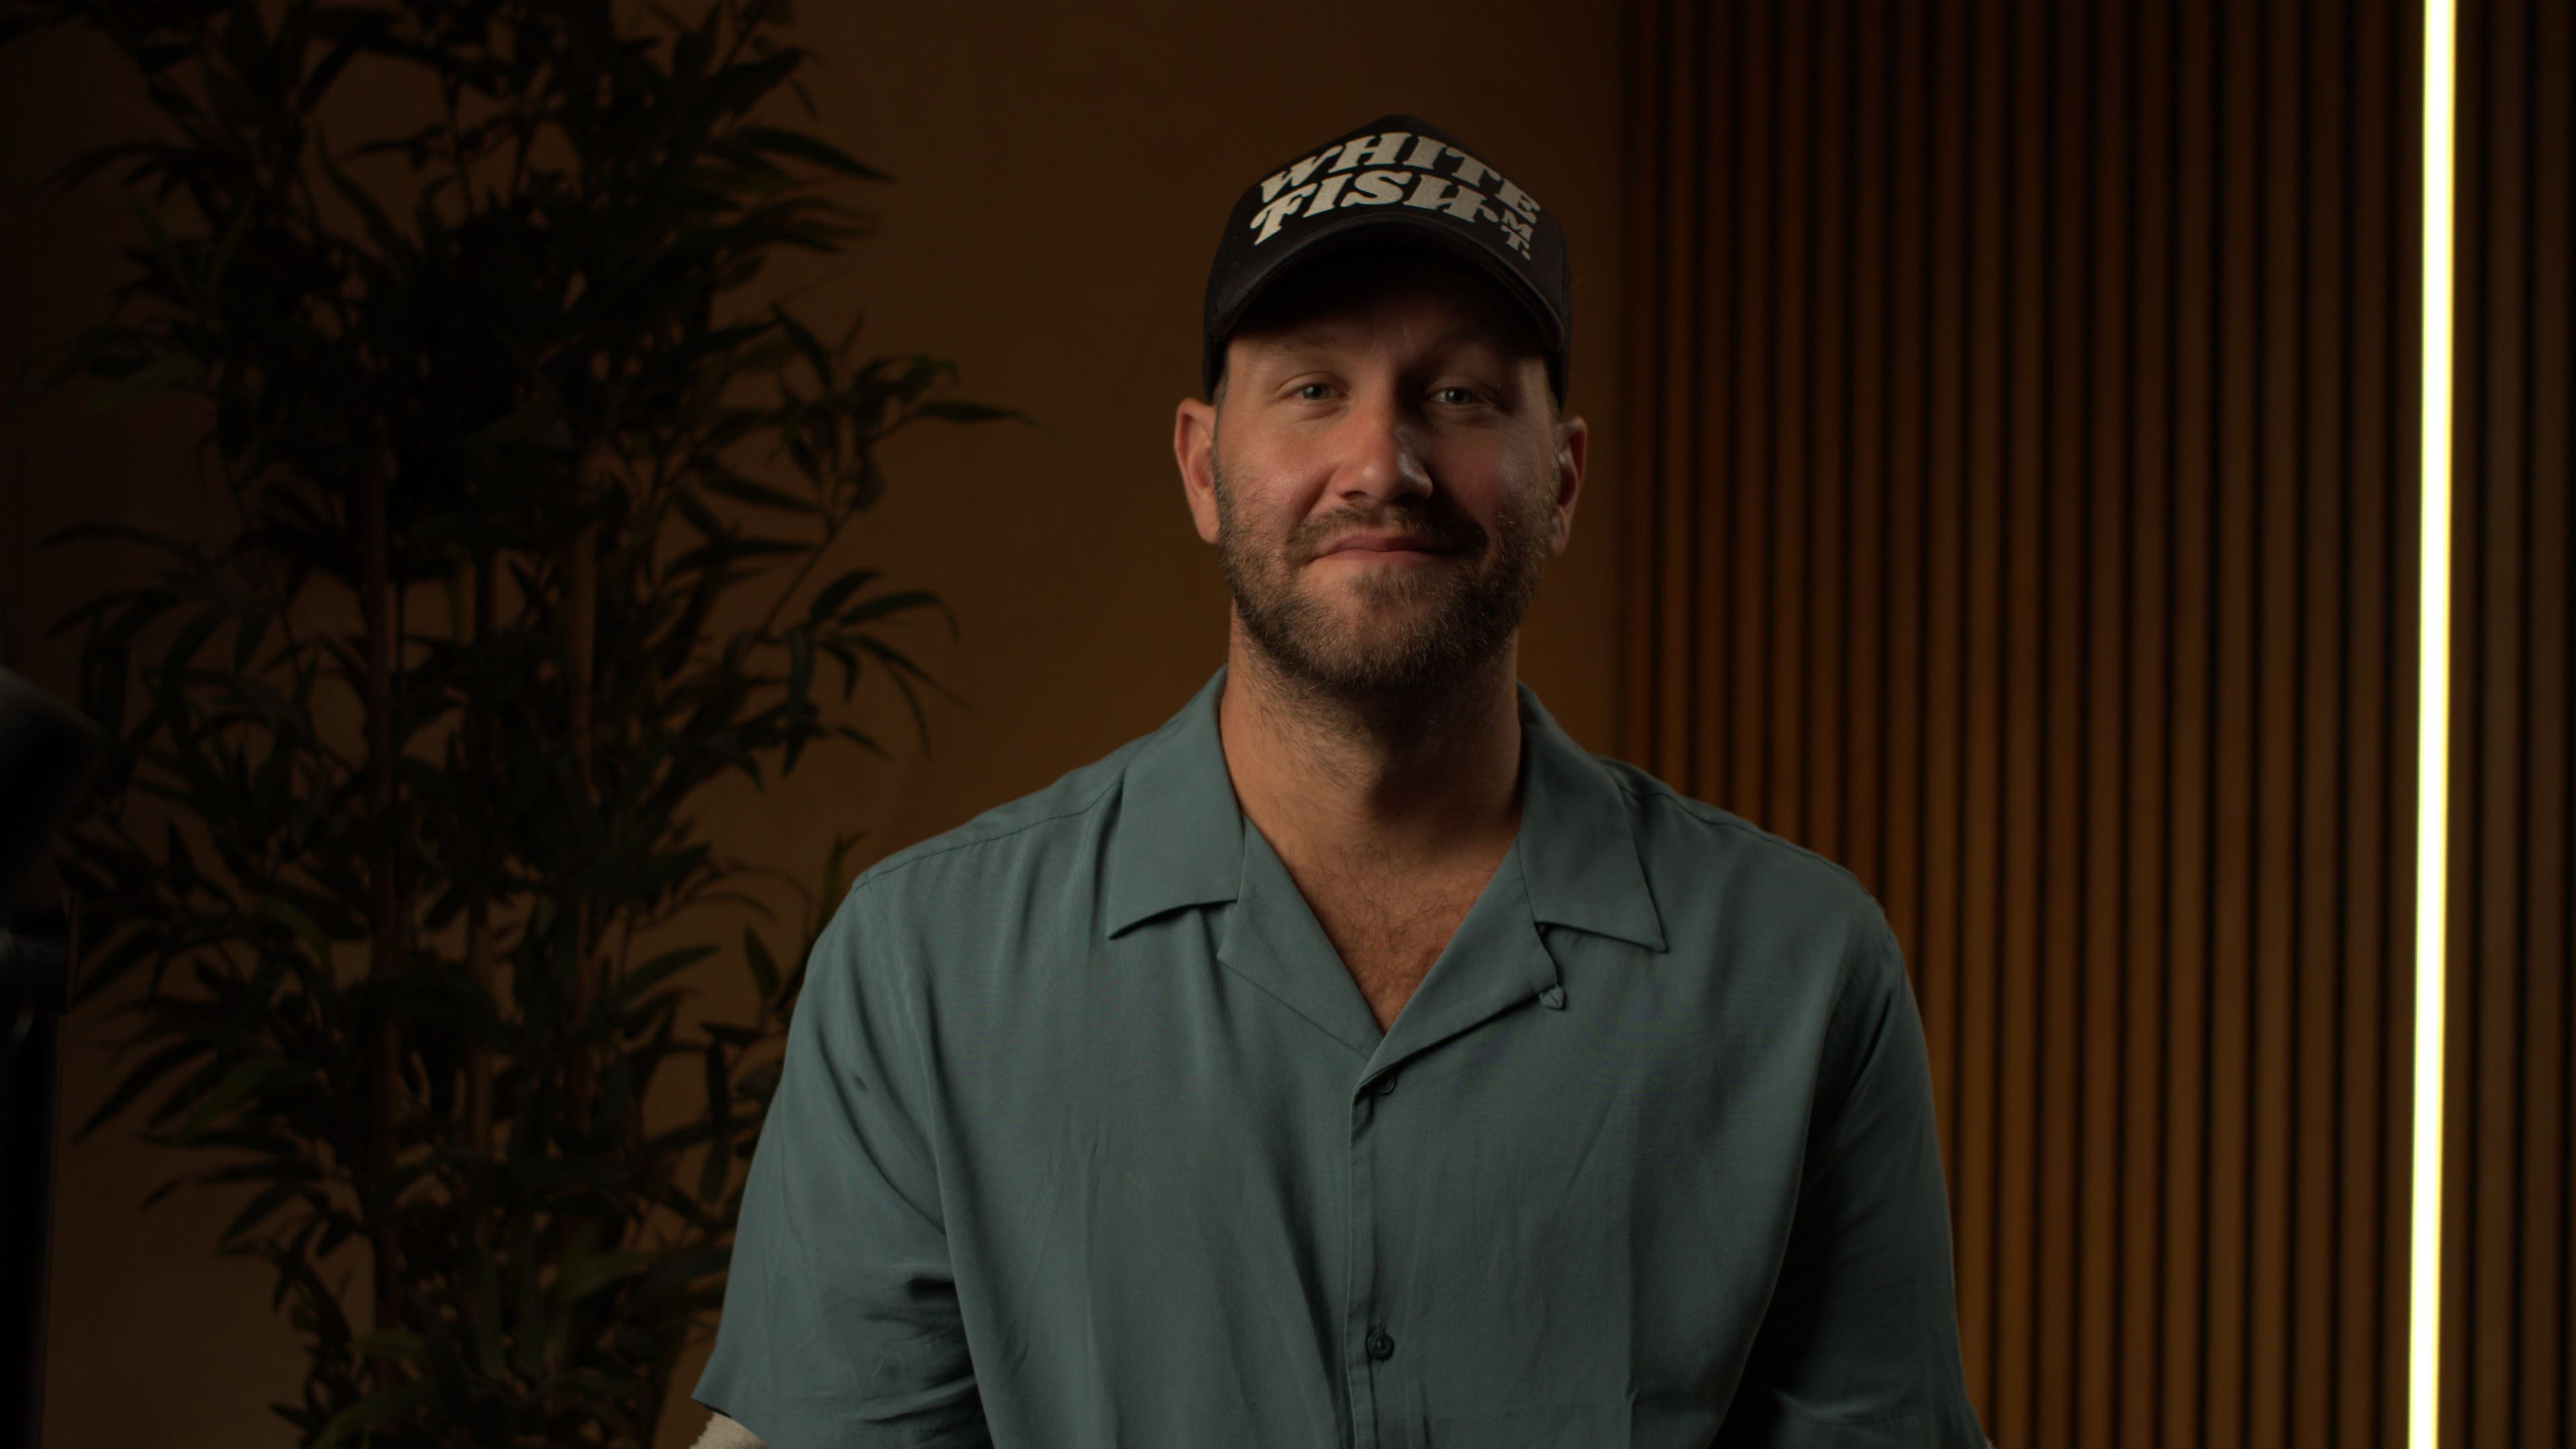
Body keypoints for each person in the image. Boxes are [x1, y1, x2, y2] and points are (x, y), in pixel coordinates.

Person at [690, 114, 1989, 1449]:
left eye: (1464, 394)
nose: (1384, 463)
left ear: (1564, 480)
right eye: (1314, 389)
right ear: (1204, 466)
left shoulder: (1799, 970)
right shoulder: (922, 972)